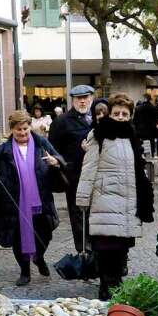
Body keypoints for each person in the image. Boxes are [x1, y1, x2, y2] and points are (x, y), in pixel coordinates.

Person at [75, 93, 155, 300]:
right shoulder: (99, 134)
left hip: (128, 200)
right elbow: (89, 167)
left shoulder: (133, 136)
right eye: (117, 113)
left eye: (124, 114)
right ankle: (105, 283)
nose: (120, 116)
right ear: (110, 113)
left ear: (130, 116)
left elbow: (141, 168)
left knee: (121, 247)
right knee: (104, 246)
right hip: (105, 198)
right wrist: (83, 198)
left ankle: (117, 283)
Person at [0, 110, 65, 286]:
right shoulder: (3, 152)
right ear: (12, 130)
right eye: (19, 130)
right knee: (18, 239)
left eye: (25, 129)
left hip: (41, 200)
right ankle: (25, 271)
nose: (23, 133)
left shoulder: (42, 144)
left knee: (44, 234)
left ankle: (39, 258)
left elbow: (60, 158)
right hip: (14, 203)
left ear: (30, 127)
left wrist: (56, 162)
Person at [49, 84, 95, 252]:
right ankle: (83, 251)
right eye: (78, 98)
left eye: (85, 98)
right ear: (73, 100)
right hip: (74, 176)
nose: (82, 101)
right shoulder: (61, 122)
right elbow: (53, 150)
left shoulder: (99, 119)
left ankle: (97, 251)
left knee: (96, 214)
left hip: (97, 175)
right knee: (78, 215)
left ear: (91, 98)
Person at [134, 93, 158, 157]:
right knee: (150, 150)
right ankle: (150, 160)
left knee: (141, 150)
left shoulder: (138, 108)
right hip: (151, 133)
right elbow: (156, 121)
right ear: (150, 99)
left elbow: (135, 121)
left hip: (140, 133)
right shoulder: (154, 108)